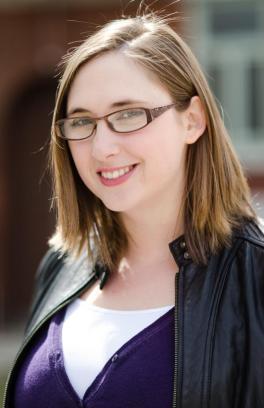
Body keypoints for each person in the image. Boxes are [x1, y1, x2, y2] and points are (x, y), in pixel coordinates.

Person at [3, 10, 264, 408]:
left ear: (192, 120)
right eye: (81, 122)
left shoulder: (254, 277)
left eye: (128, 115)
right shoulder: (62, 265)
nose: (101, 148)